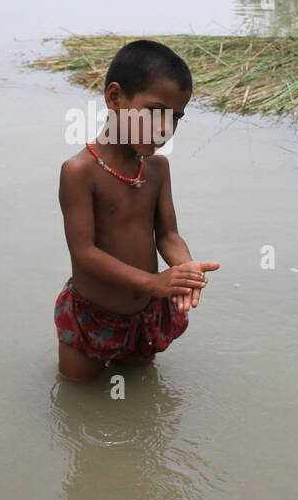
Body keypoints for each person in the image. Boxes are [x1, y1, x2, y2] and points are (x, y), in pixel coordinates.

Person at [55, 40, 220, 383]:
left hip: (145, 316)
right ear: (115, 98)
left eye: (175, 117)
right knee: (78, 394)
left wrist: (184, 268)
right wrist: (153, 281)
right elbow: (84, 253)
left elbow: (168, 235)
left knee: (138, 392)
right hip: (92, 316)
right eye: (155, 111)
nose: (165, 129)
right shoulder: (80, 172)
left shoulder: (157, 169)